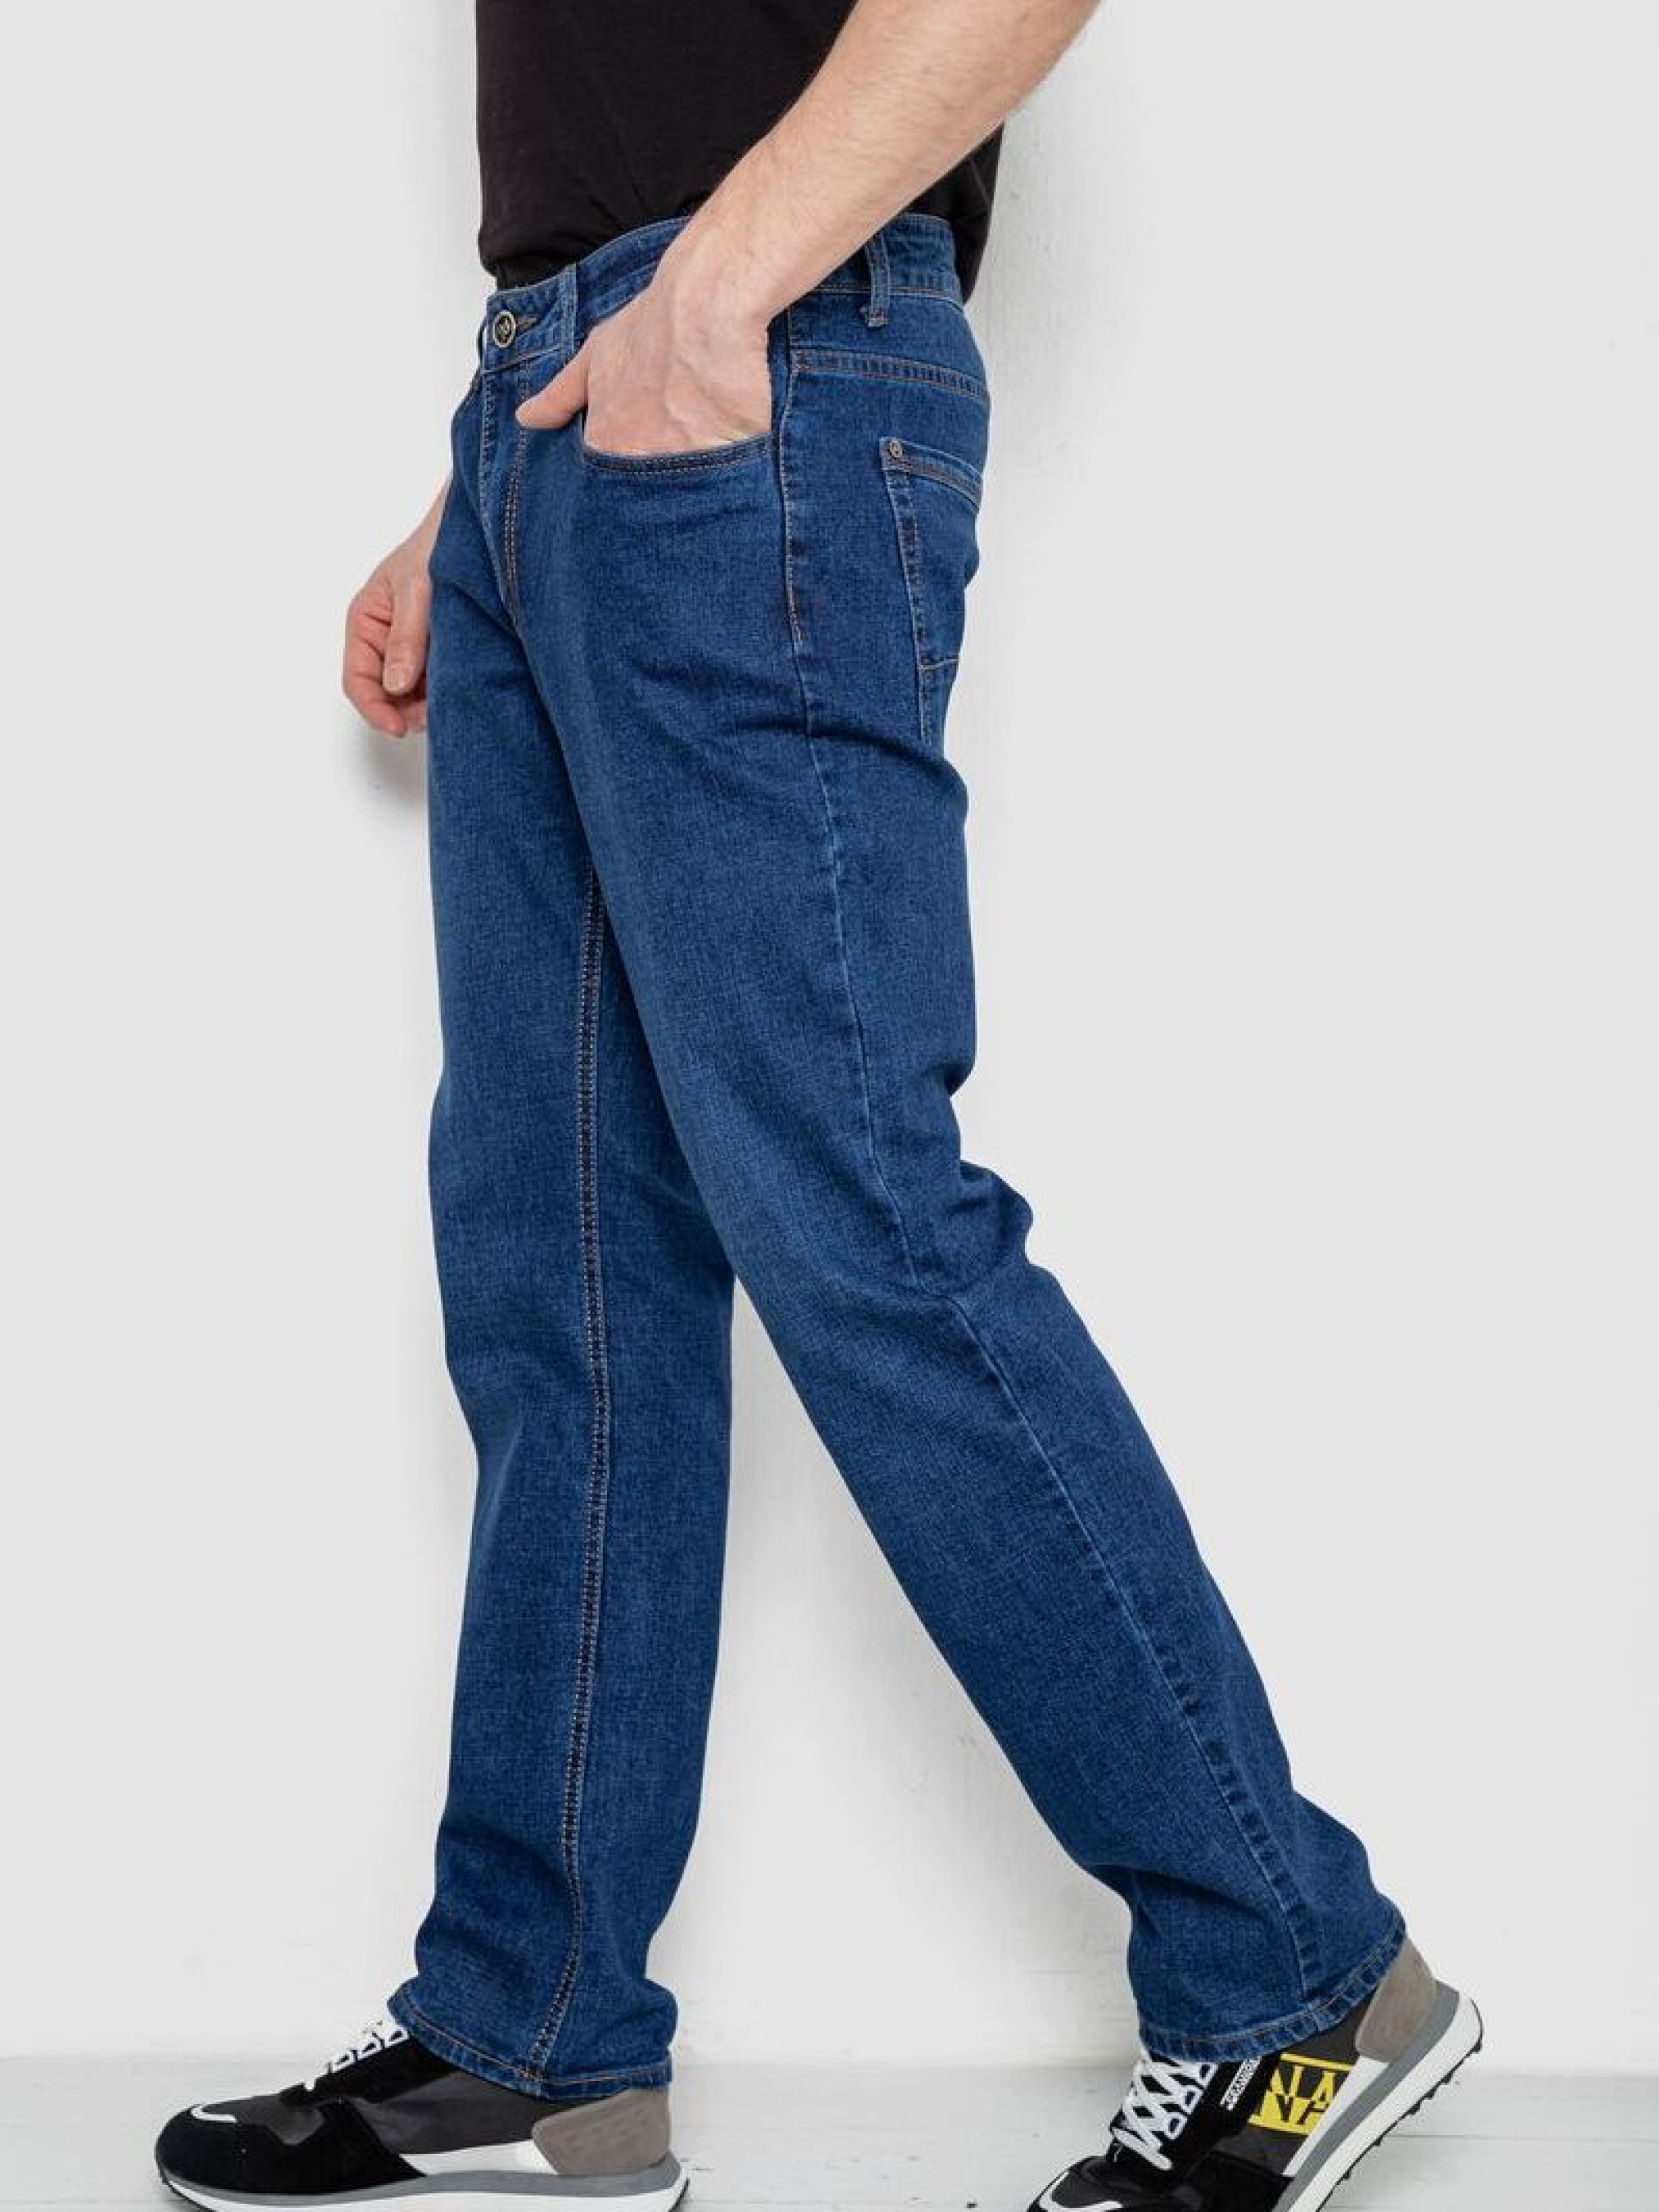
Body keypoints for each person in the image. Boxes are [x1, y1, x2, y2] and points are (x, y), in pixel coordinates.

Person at [156, 2, 1481, 2208]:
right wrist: (490, 491)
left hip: (750, 361)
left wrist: (716, 291)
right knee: (560, 1273)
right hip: (567, 413)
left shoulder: (736, 305)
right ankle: (536, 2030)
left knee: (859, 1211)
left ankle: (1294, 1975)